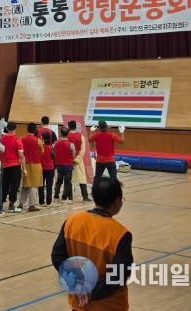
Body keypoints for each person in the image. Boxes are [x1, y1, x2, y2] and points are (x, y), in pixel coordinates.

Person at [51, 178, 133, 310]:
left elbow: (57, 256)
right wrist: (89, 291)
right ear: (117, 201)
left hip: (79, 304)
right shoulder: (121, 234)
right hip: (109, 306)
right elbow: (119, 276)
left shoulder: (71, 221)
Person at [19, 123, 43, 212]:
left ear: (27, 129)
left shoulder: (21, 139)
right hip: (36, 164)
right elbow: (42, 151)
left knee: (25, 184)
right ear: (35, 130)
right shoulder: (38, 140)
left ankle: (21, 203)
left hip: (24, 163)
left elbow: (20, 152)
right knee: (33, 185)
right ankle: (32, 205)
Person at [0, 122, 23, 213]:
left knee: (4, 185)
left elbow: (0, 153)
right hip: (15, 165)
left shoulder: (2, 139)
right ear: (15, 129)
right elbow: (21, 155)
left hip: (5, 165)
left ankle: (0, 204)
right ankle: (11, 205)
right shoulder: (17, 139)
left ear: (7, 128)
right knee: (14, 185)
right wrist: (24, 167)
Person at [68, 121, 92, 202]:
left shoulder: (66, 136)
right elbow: (82, 150)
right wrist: (77, 159)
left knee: (68, 179)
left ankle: (70, 197)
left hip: (68, 161)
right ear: (76, 127)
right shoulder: (81, 136)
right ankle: (85, 197)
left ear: (68, 127)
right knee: (82, 178)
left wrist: (70, 160)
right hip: (78, 161)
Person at [54, 127, 76, 204]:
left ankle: (56, 197)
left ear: (60, 133)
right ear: (68, 134)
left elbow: (53, 152)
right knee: (67, 183)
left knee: (58, 182)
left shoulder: (56, 143)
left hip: (59, 166)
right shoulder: (71, 144)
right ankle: (64, 198)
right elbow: (73, 155)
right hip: (68, 166)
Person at [38, 130, 55, 207]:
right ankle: (49, 201)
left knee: (40, 186)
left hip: (41, 168)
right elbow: (53, 157)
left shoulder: (40, 147)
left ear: (42, 138)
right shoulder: (51, 148)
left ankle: (41, 201)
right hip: (50, 168)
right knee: (49, 186)